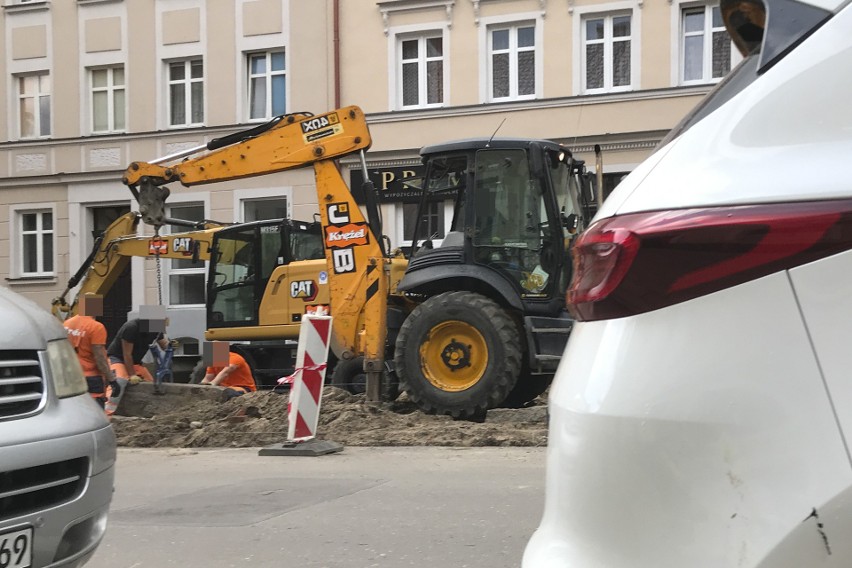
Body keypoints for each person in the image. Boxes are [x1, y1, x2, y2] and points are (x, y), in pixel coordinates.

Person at [104, 317, 170, 415]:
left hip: (135, 362)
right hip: (117, 359)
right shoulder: (131, 327)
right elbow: (127, 354)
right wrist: (132, 375)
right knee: (119, 381)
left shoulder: (155, 328)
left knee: (151, 383)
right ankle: (105, 413)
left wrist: (171, 345)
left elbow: (164, 345)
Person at [63, 295, 112, 409]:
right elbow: (99, 357)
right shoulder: (96, 327)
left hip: (70, 376)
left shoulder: (67, 324)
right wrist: (111, 379)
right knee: (94, 412)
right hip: (91, 378)